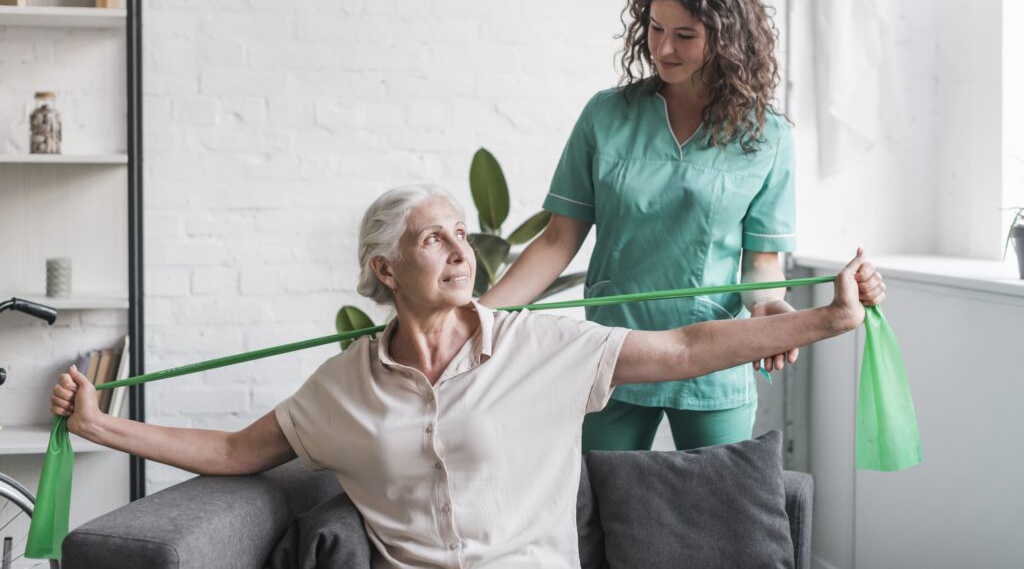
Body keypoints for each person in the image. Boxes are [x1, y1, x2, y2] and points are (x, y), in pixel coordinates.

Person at [51, 185, 882, 568]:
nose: (459, 249)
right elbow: (236, 449)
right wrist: (99, 423)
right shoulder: (342, 387)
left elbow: (685, 349)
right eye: (432, 238)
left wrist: (828, 316)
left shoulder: (535, 346)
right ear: (384, 268)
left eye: (460, 232)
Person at [479, 0, 886, 453]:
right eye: (654, 28)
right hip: (615, 355)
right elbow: (557, 240)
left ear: (726, 39)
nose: (663, 48)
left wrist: (767, 306)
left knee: (717, 511)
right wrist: (475, 317)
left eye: (685, 36)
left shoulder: (767, 136)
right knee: (602, 512)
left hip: (714, 361)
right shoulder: (605, 117)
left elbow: (760, 262)